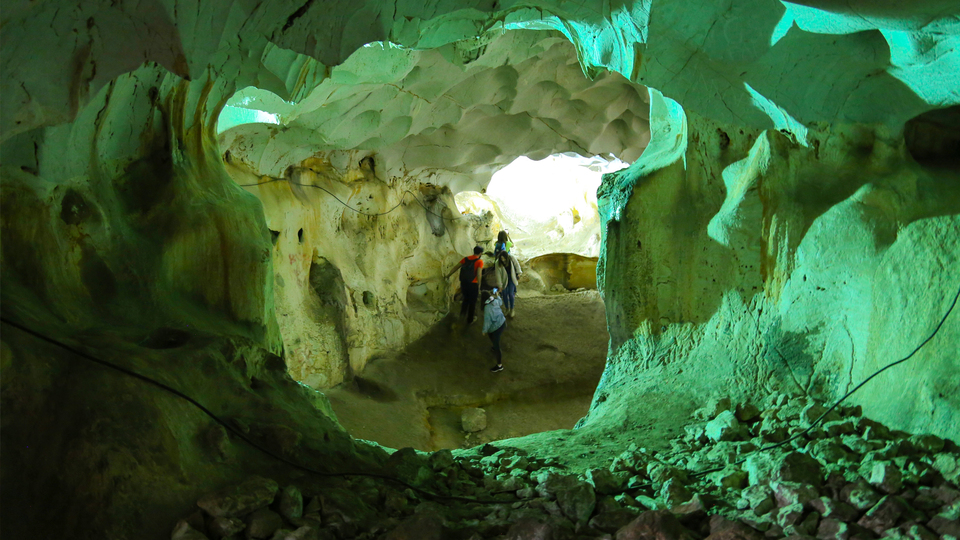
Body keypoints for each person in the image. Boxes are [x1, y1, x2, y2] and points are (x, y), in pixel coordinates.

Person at [445, 246, 484, 325]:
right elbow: (479, 274)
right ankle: (470, 320)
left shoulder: (466, 259)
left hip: (464, 282)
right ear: (480, 253)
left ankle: (462, 315)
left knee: (466, 299)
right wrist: (479, 285)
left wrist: (448, 275)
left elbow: (456, 267)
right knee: (472, 302)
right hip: (473, 284)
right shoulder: (479, 261)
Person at [481, 289, 507, 372]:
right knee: (491, 334)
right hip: (503, 322)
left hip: (496, 327)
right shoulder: (494, 300)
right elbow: (500, 302)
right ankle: (494, 346)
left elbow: (487, 321)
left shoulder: (487, 308)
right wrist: (497, 295)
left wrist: (484, 330)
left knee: (497, 346)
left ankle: (499, 365)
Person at [494, 250, 522, 317]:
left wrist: (518, 273)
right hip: (504, 280)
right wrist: (500, 286)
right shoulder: (497, 263)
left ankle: (512, 309)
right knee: (504, 294)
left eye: (504, 258)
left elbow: (517, 265)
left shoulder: (512, 258)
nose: (503, 260)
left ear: (507, 257)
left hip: (511, 278)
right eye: (501, 258)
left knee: (511, 294)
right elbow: (498, 275)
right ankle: (507, 308)